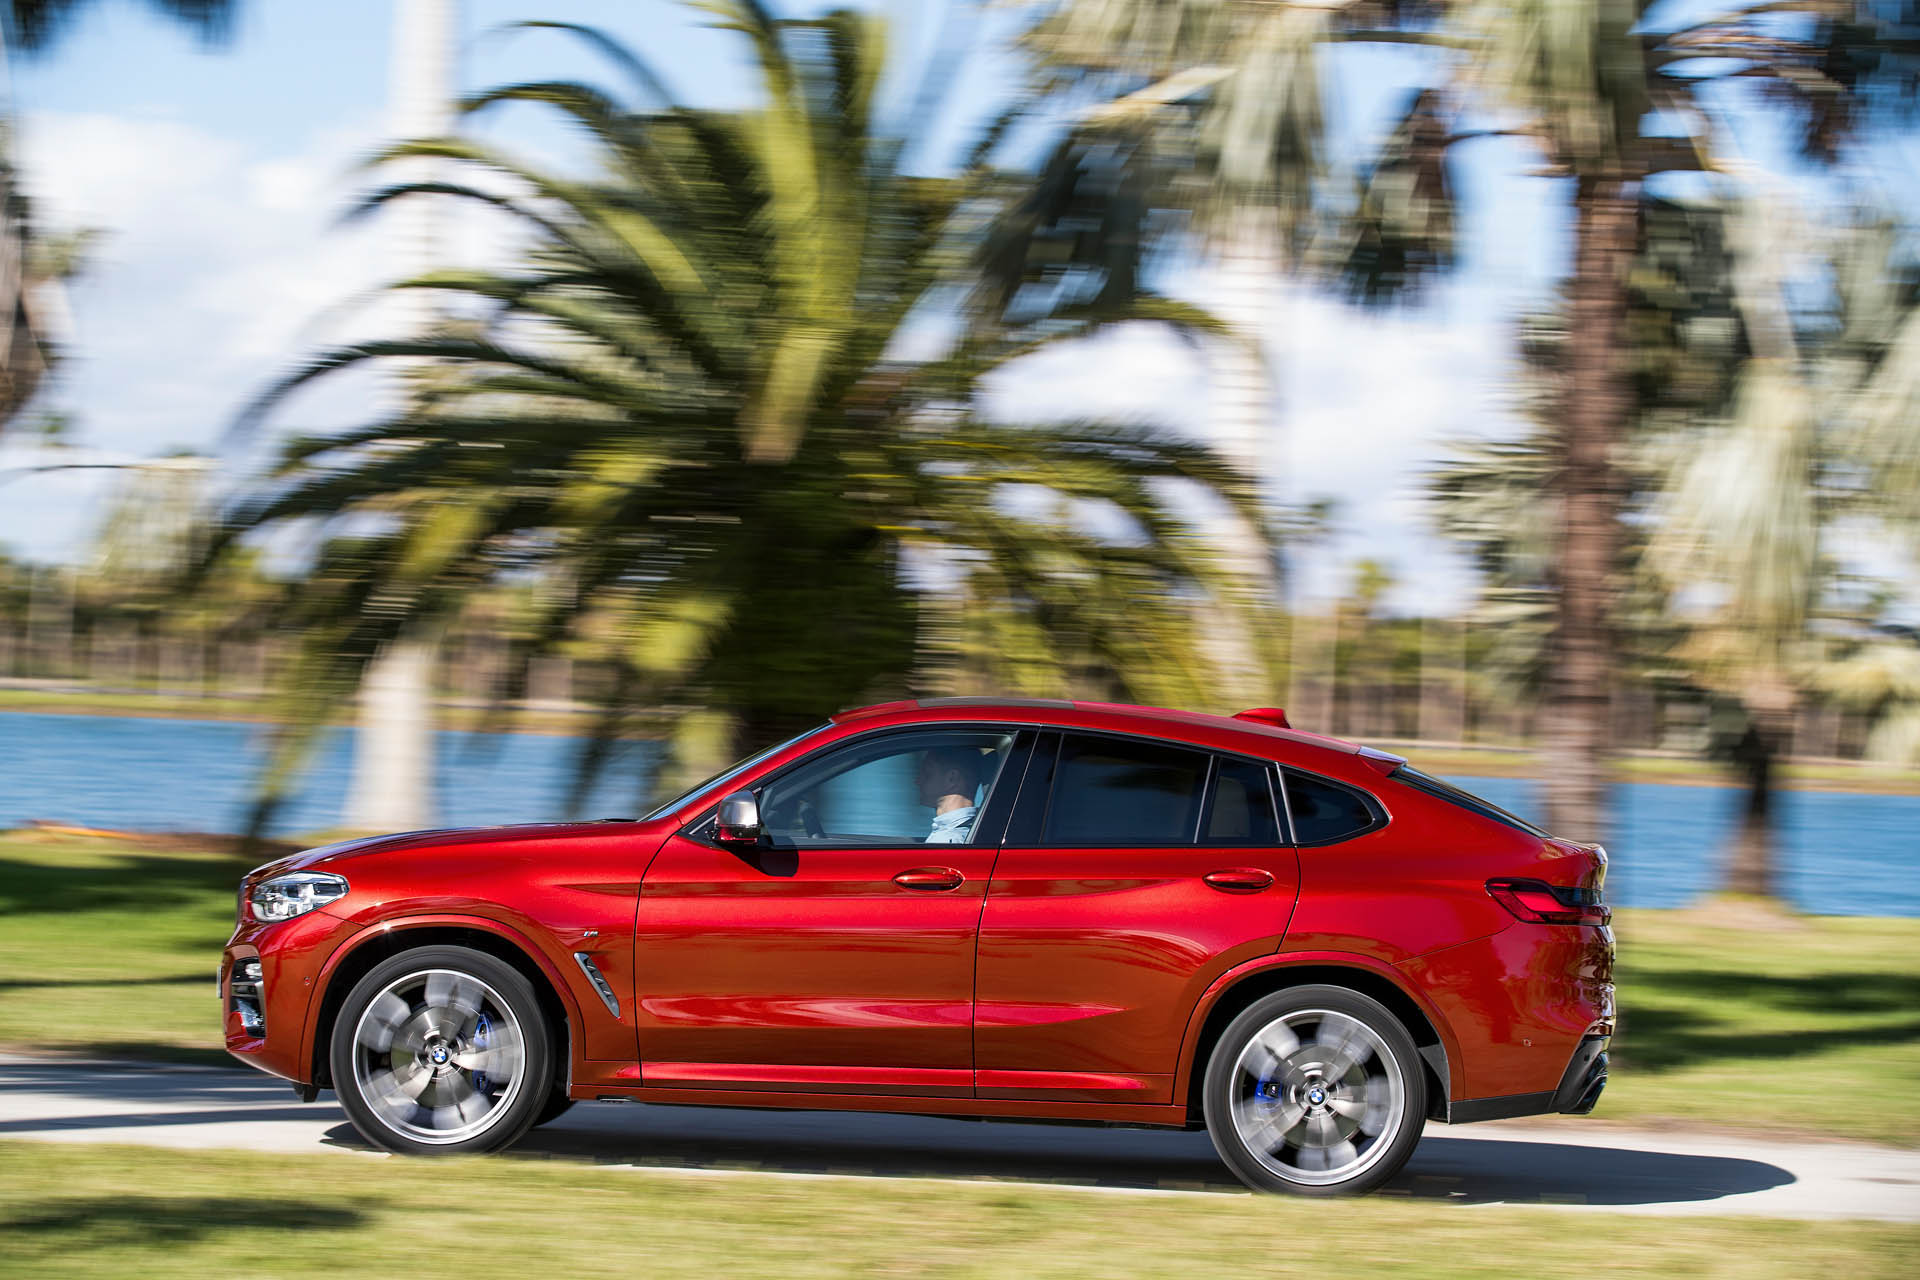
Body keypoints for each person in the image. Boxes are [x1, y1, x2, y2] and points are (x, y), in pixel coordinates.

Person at [917, 746, 984, 843]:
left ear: (952, 779)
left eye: (927, 774)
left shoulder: (949, 840)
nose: (918, 781)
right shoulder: (961, 835)